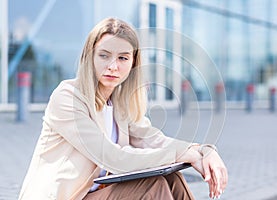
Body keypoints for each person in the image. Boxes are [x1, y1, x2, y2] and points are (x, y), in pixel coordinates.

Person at [18, 17, 228, 200]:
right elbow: (112, 157)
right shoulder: (67, 97)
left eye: (122, 58)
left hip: (97, 193)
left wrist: (203, 151)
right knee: (153, 186)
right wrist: (185, 155)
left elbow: (154, 140)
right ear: (89, 57)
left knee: (171, 177)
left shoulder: (118, 103)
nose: (113, 66)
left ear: (133, 63)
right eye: (104, 55)